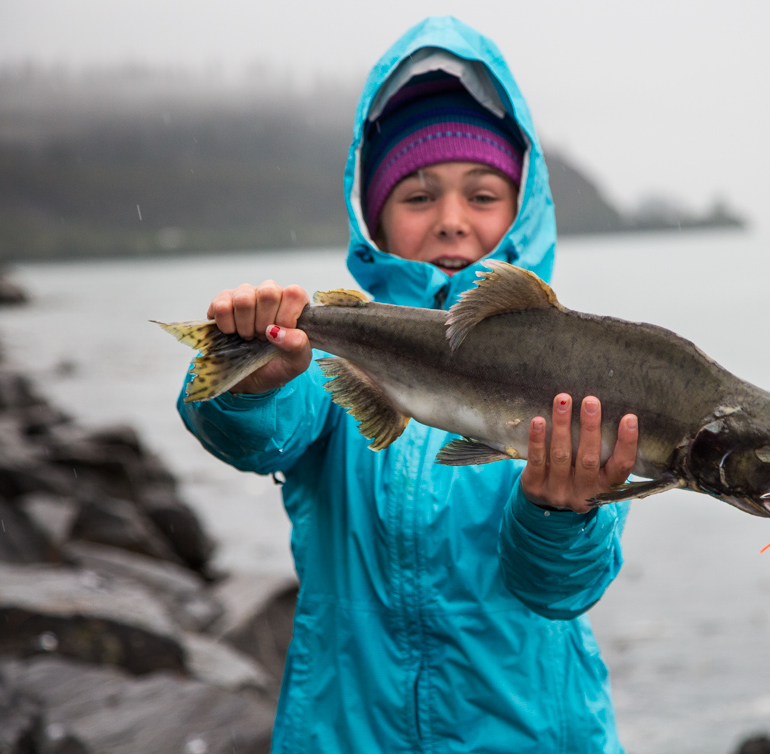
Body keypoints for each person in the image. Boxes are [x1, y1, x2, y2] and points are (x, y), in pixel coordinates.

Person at [178, 16, 638, 753]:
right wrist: (250, 384)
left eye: (482, 196)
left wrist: (561, 514)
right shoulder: (328, 348)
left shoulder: (576, 375)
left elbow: (561, 588)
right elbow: (248, 436)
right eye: (419, 197)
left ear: (523, 207)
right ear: (375, 216)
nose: (451, 221)